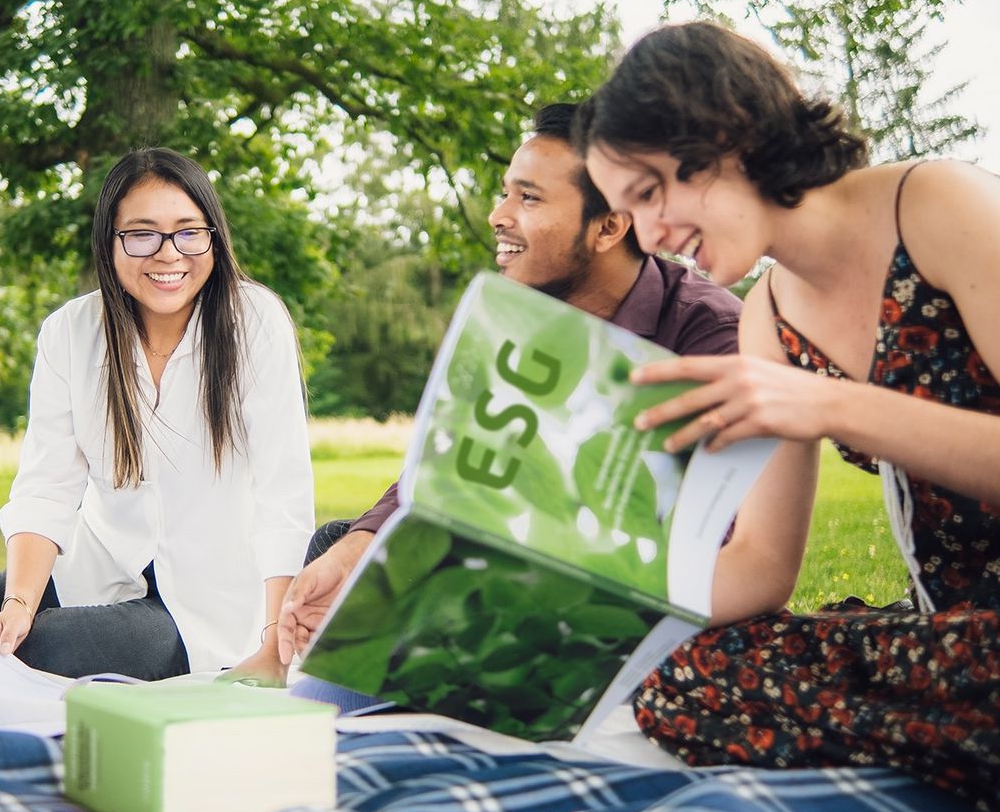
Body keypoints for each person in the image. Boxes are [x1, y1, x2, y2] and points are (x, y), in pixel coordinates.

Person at [574, 21, 1000, 812]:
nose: (652, 235)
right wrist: (591, 593)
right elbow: (765, 564)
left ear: (723, 133)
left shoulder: (938, 204)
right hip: (970, 634)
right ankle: (997, 737)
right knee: (688, 673)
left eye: (651, 192)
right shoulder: (765, 317)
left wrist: (836, 404)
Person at [277, 102, 743, 662]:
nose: (498, 215)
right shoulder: (517, 321)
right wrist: (359, 547)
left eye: (528, 197)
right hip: (505, 580)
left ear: (609, 226)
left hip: (626, 603)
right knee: (340, 545)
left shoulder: (710, 334)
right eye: (505, 192)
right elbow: (446, 467)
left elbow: (723, 537)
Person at [0, 148, 314, 685]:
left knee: (44, 648)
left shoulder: (254, 321)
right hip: (89, 565)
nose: (169, 254)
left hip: (203, 610)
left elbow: (281, 497)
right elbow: (47, 488)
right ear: (109, 241)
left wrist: (273, 647)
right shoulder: (70, 332)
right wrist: (19, 602)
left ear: (213, 237)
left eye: (189, 232)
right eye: (142, 234)